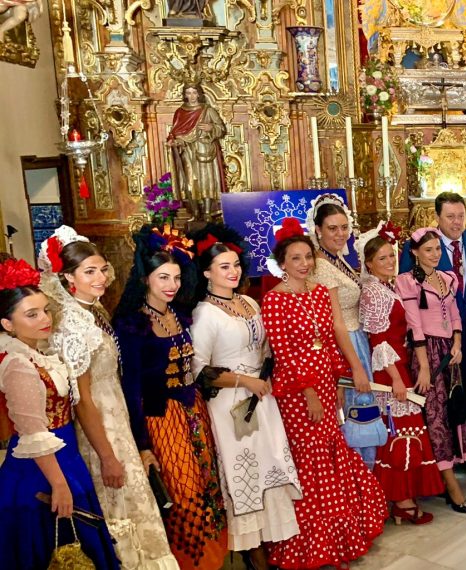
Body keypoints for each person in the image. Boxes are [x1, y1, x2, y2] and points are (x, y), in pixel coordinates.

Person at [38, 226, 177, 569]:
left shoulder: (93, 311)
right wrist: (107, 456)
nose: (100, 277)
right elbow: (82, 399)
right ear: (68, 277)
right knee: (118, 507)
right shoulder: (73, 323)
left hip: (117, 419)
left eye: (102, 269)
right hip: (99, 428)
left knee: (134, 504)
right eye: (89, 272)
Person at [261, 218, 386, 568]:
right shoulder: (274, 300)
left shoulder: (318, 293)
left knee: (332, 454)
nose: (303, 264)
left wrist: (341, 378)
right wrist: (310, 394)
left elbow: (331, 339)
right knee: (311, 461)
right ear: (282, 263)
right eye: (295, 258)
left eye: (307, 257)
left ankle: (338, 540)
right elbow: (283, 353)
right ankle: (312, 545)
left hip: (326, 384)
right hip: (298, 392)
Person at [113, 226, 228, 570]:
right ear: (146, 278)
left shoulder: (179, 313)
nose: (171, 285)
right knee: (183, 496)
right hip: (161, 419)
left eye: (176, 277)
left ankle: (213, 560)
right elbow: (131, 388)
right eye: (163, 277)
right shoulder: (131, 323)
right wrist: (143, 444)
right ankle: (188, 563)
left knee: (209, 489)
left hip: (194, 412)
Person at [188, 224, 301, 569]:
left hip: (261, 400)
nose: (233, 271)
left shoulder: (250, 302)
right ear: (207, 272)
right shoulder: (205, 313)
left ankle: (271, 548)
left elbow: (265, 349)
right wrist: (244, 381)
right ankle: (254, 555)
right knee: (245, 474)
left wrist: (263, 376)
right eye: (224, 266)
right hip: (229, 405)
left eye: (236, 264)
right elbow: (199, 370)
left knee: (269, 466)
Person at [0, 256, 120, 569]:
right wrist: (60, 484)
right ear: (7, 325)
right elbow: (34, 435)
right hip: (39, 469)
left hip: (65, 456)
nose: (44, 319)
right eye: (31, 314)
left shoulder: (37, 356)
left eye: (44, 310)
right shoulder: (18, 366)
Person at [358, 222, 446, 525]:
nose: (388, 262)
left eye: (391, 257)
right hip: (389, 371)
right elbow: (378, 339)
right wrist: (396, 379)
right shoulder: (372, 292)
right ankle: (401, 501)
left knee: (407, 430)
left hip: (399, 363)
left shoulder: (388, 287)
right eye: (381, 258)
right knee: (401, 431)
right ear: (368, 263)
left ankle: (403, 498)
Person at [399, 192, 466, 466]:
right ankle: (441, 457)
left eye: (461, 216)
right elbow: (411, 297)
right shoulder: (420, 246)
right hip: (433, 339)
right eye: (450, 216)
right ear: (437, 217)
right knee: (439, 400)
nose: (457, 221)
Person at [397, 227, 466, 513]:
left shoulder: (447, 278)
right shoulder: (407, 282)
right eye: (428, 250)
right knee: (434, 415)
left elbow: (454, 314)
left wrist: (457, 342)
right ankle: (450, 484)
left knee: (453, 409)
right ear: (415, 253)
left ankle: (448, 473)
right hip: (425, 353)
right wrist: (424, 367)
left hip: (449, 352)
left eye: (438, 249)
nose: (434, 254)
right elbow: (414, 324)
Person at [306, 193, 383, 467]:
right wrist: (355, 367)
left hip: (357, 339)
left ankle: (368, 489)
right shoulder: (321, 267)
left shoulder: (337, 259)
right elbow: (335, 322)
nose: (340, 234)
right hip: (345, 345)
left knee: (366, 412)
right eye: (332, 228)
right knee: (355, 417)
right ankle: (358, 489)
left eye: (343, 228)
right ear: (318, 230)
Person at [166, 84, 226, 203]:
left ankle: (208, 210)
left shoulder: (208, 110)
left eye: (194, 92)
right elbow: (175, 131)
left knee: (205, 178)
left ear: (199, 94)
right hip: (186, 149)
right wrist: (175, 140)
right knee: (190, 179)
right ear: (185, 95)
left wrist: (211, 128)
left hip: (204, 148)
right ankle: (194, 210)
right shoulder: (179, 112)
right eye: (188, 93)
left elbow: (221, 129)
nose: (192, 96)